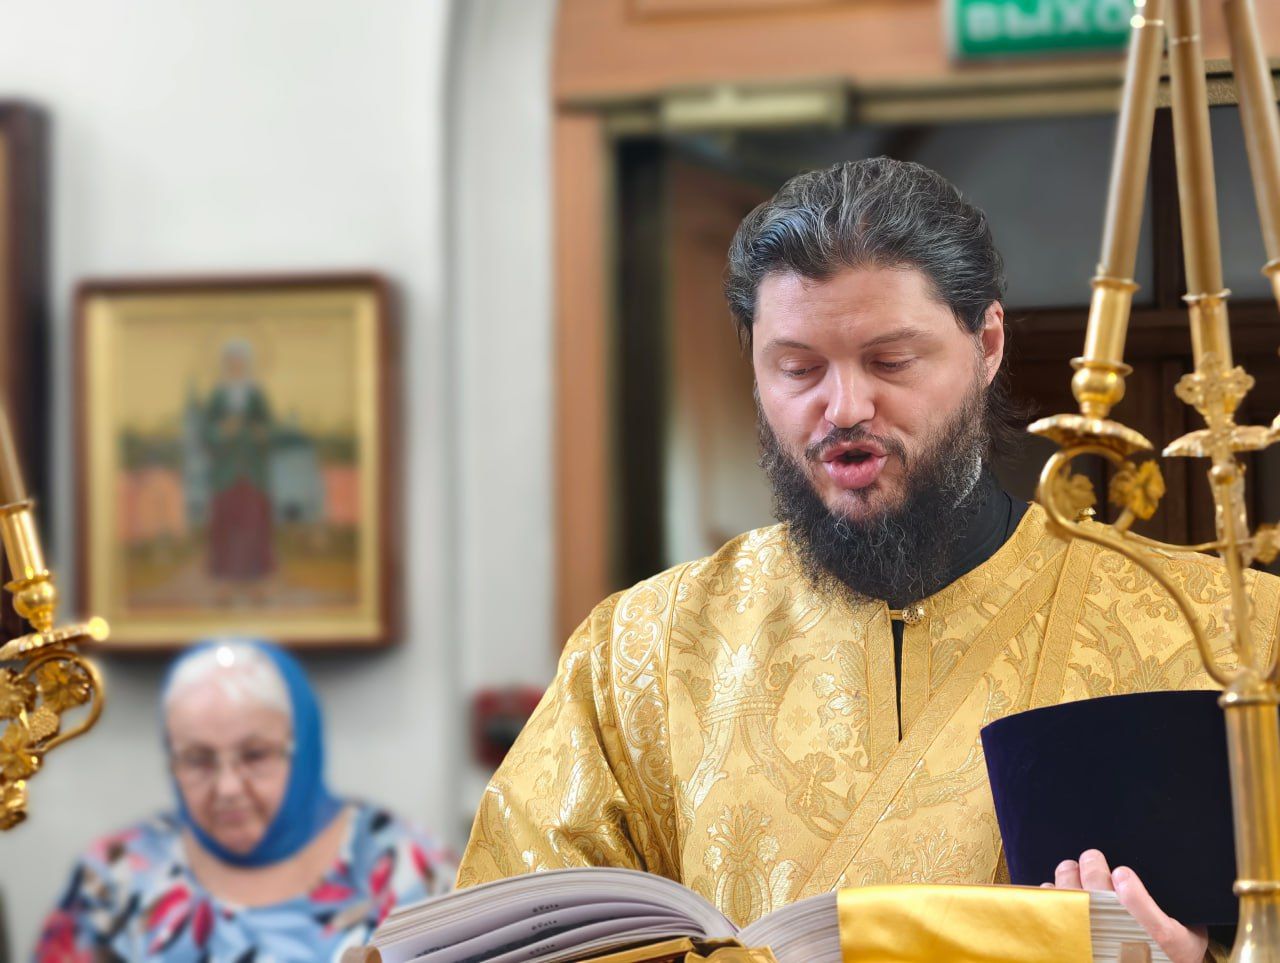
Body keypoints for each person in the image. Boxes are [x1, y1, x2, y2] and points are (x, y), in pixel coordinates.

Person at [456, 158, 1280, 963]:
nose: (844, 407)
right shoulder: (637, 652)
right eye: (798, 368)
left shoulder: (1216, 629)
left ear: (987, 344)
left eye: (891, 361)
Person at [35, 641, 454, 961]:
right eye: (197, 759)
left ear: (303, 751)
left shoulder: (409, 866)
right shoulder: (113, 874)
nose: (228, 788)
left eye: (255, 755)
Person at [204, 340, 276, 594]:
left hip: (253, 473)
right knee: (226, 525)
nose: (236, 366)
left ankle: (256, 582)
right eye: (232, 362)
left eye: (240, 362)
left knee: (254, 525)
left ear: (247, 365)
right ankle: (225, 582)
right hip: (226, 474)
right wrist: (222, 431)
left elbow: (270, 428)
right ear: (226, 365)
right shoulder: (218, 396)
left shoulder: (256, 395)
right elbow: (206, 432)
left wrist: (261, 433)